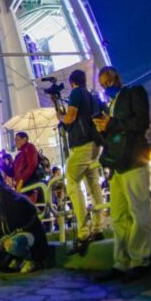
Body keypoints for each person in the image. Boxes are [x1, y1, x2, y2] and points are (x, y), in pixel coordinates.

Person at [93, 67, 151, 282]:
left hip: (134, 160)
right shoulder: (109, 105)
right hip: (117, 166)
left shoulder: (134, 93)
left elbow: (141, 122)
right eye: (103, 83)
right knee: (119, 216)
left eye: (108, 80)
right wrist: (102, 129)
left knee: (139, 211)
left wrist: (113, 123)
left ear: (117, 77)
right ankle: (121, 262)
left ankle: (140, 260)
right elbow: (114, 133)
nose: (106, 85)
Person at [58, 69, 105, 255]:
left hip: (82, 143)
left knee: (71, 181)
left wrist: (61, 117)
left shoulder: (76, 93)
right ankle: (98, 227)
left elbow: (70, 117)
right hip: (94, 143)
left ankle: (83, 231)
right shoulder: (92, 96)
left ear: (72, 83)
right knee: (93, 185)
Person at [0, 182, 49, 274]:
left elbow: (12, 227)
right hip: (20, 235)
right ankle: (18, 259)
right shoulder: (3, 207)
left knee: (10, 244)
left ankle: (33, 260)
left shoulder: (18, 203)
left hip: (33, 238)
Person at [13, 132, 40, 204]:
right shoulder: (19, 155)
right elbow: (14, 171)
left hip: (29, 183)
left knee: (28, 207)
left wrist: (22, 180)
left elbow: (32, 165)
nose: (15, 143)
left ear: (24, 139)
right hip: (22, 184)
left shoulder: (29, 147)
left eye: (17, 140)